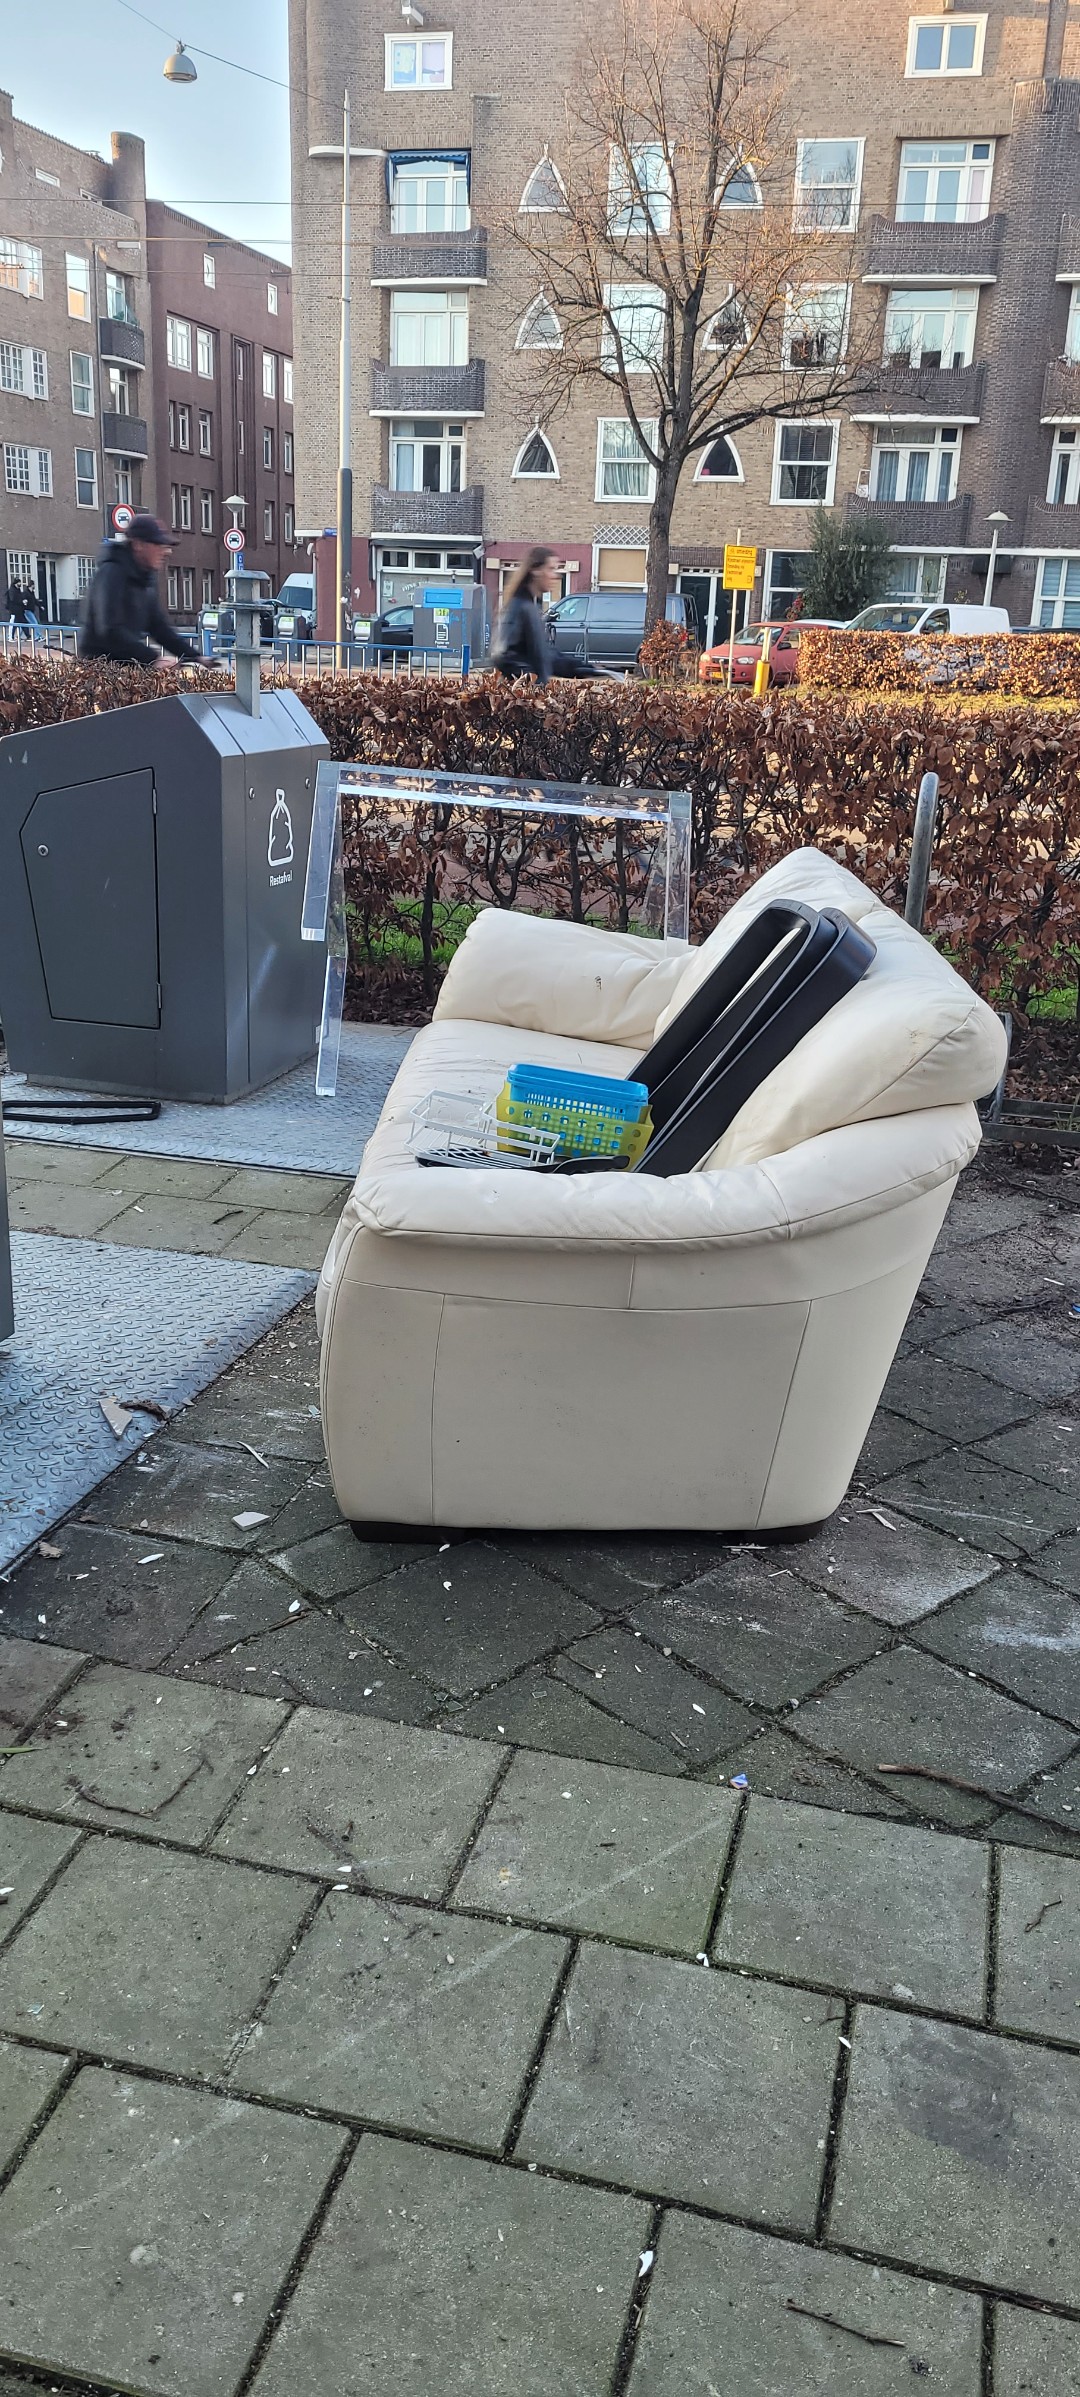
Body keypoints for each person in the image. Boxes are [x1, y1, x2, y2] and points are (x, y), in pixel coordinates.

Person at [80, 512, 198, 668]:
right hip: (101, 673)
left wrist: (196, 657)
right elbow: (109, 630)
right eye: (158, 545)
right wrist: (153, 659)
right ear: (138, 545)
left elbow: (159, 628)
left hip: (128, 672)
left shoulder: (143, 579)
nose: (166, 551)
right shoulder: (112, 572)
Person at [491, 547, 593, 682]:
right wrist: (532, 681)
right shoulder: (518, 606)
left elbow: (548, 657)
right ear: (536, 570)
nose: (556, 575)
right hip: (518, 699)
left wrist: (586, 668)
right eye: (551, 569)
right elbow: (504, 655)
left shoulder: (532, 607)